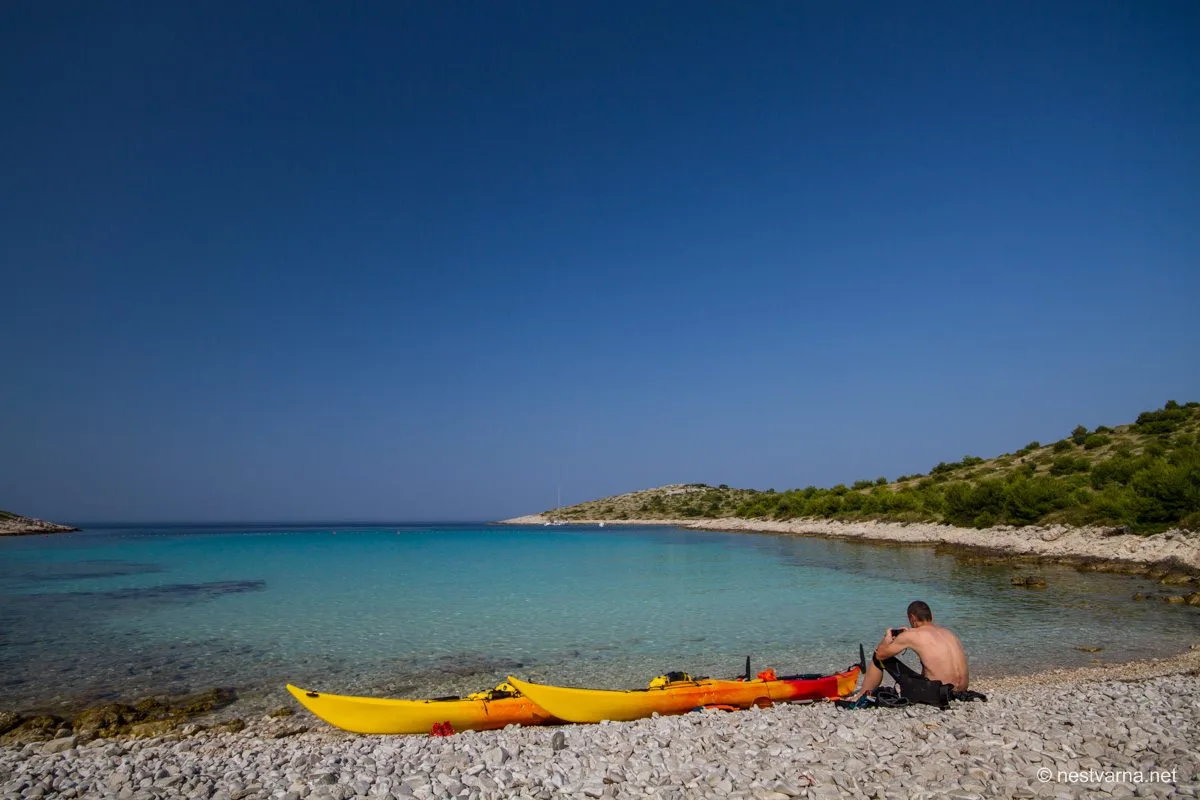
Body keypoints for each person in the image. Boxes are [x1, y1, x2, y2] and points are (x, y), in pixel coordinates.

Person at [846, 600, 970, 707]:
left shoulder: (912, 635)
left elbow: (881, 654)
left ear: (912, 618)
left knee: (877, 656)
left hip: (936, 693)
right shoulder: (949, 634)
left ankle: (862, 694)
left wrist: (887, 637)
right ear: (930, 616)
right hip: (961, 691)